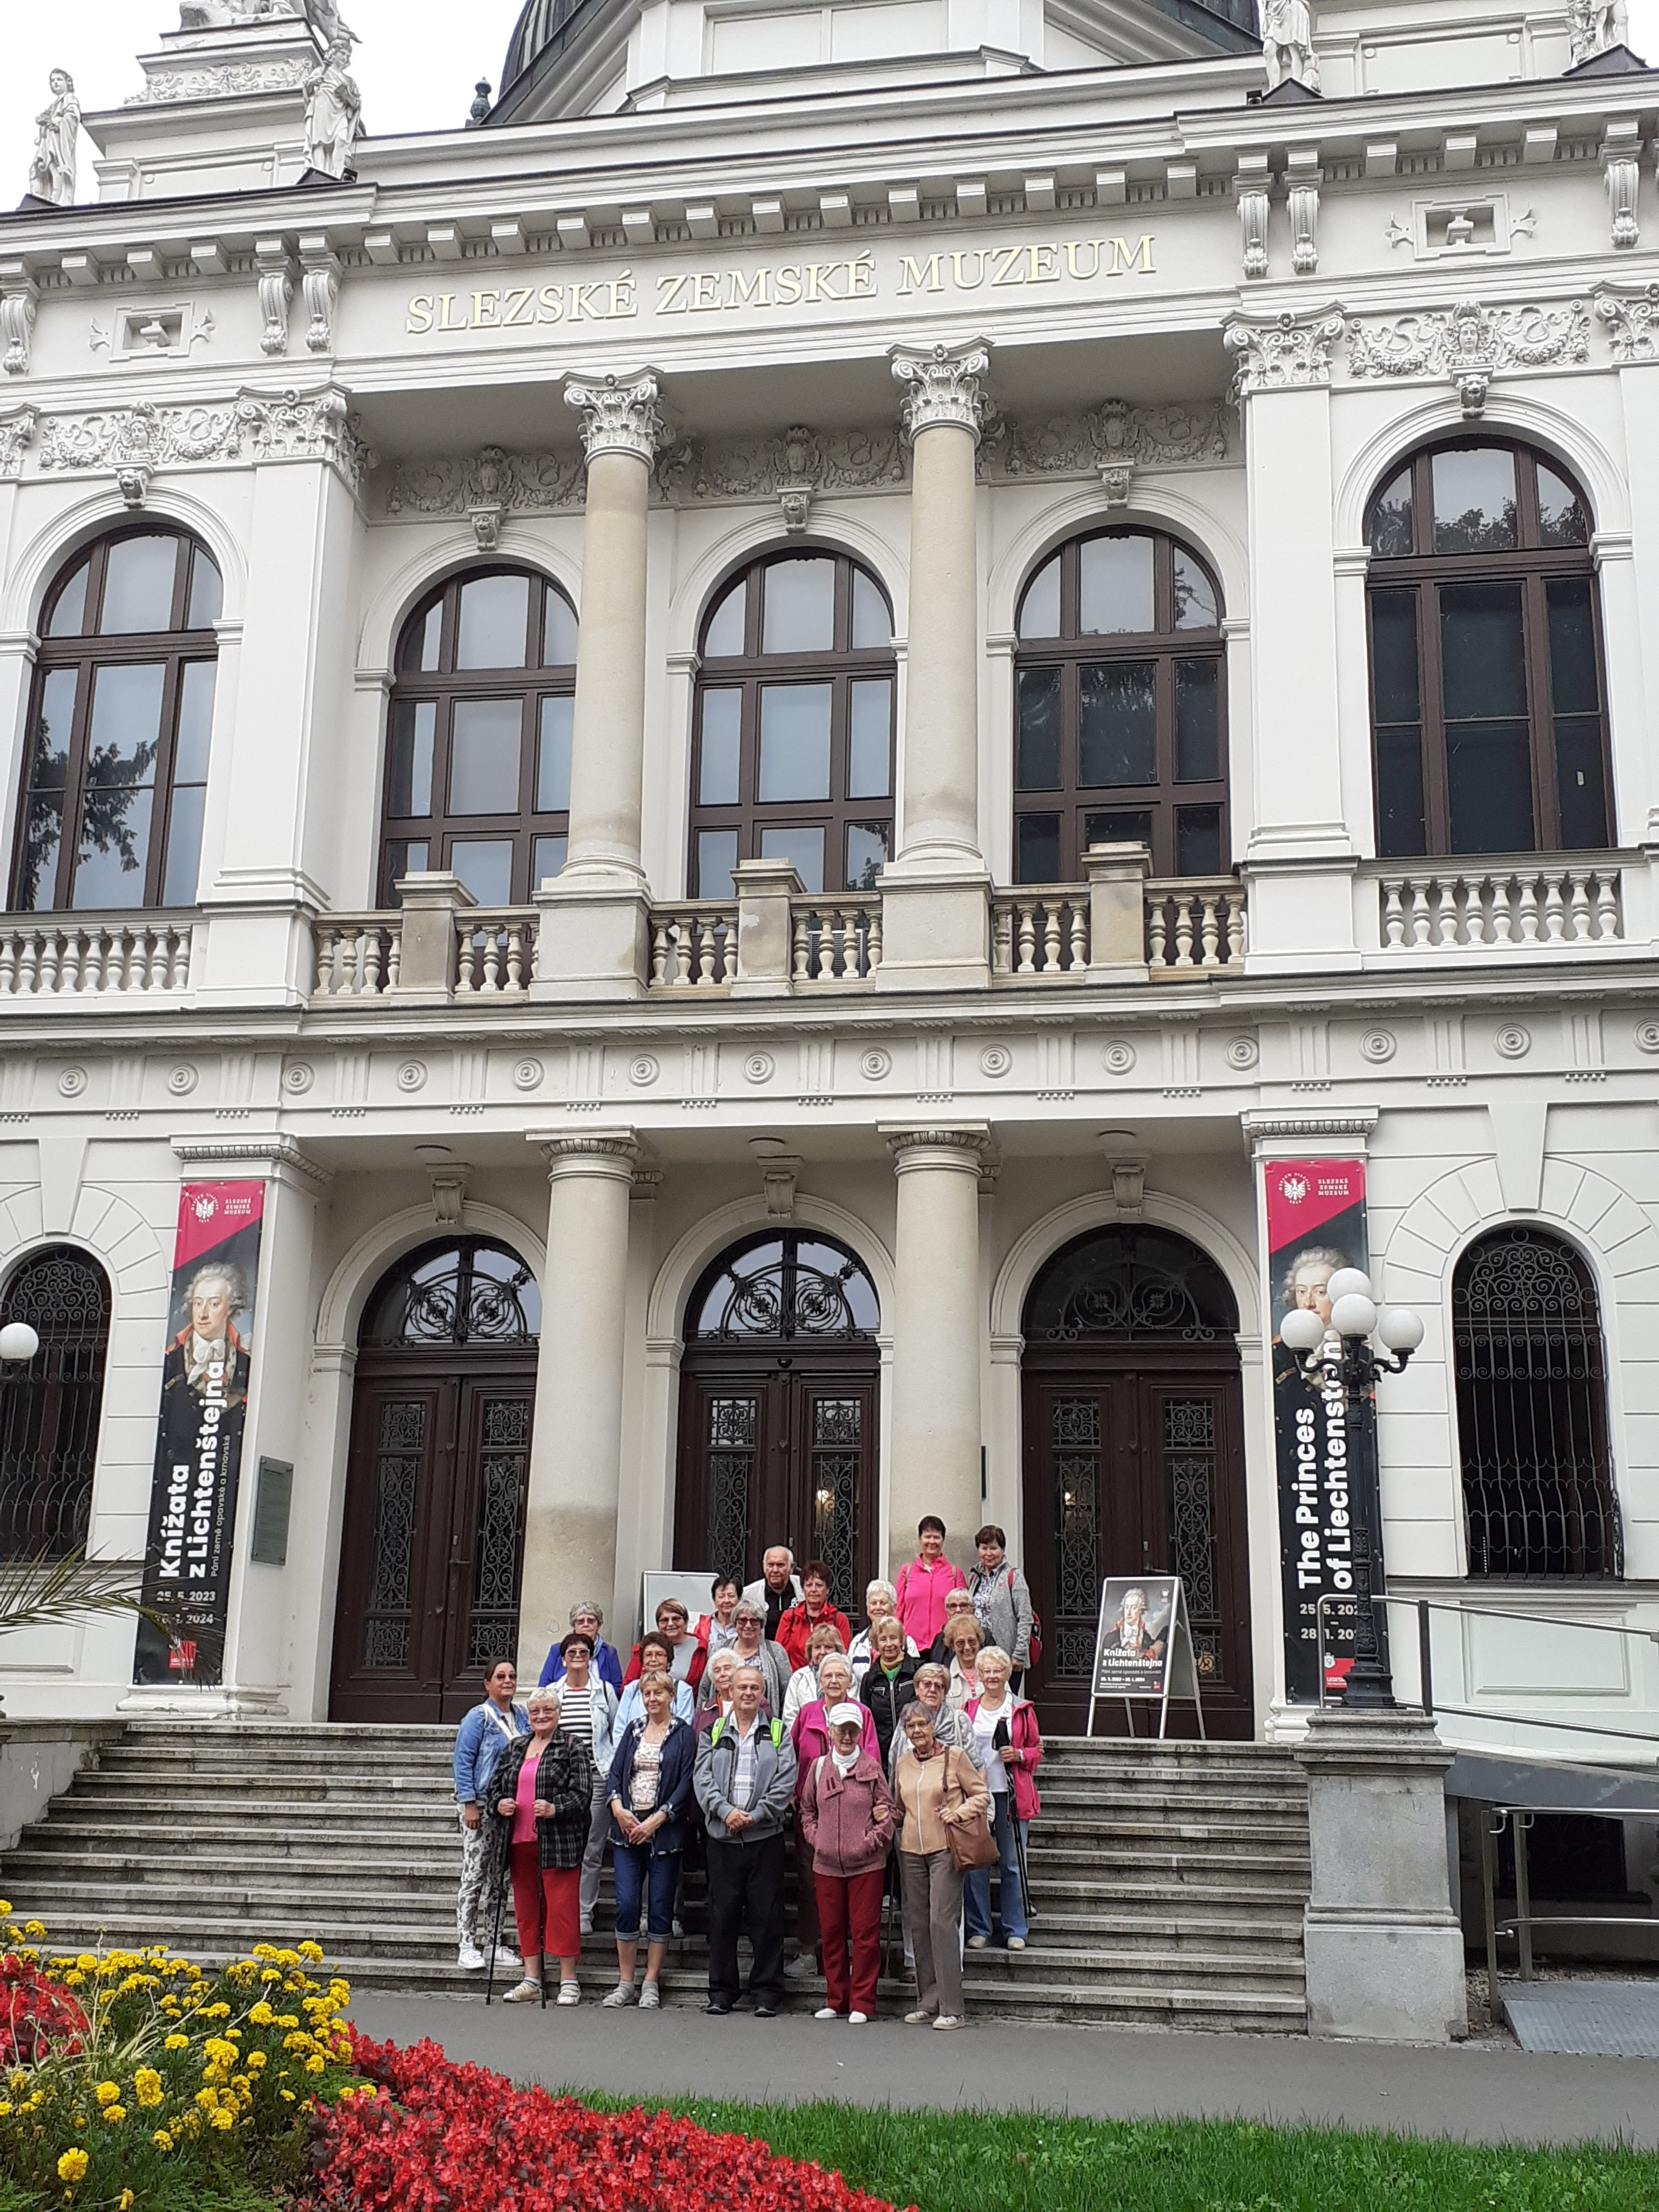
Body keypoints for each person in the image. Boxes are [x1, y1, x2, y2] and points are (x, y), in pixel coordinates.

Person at [694, 1661, 797, 2016]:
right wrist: (726, 1812)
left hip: (764, 1836)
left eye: (755, 1688)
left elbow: (786, 1778)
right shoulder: (714, 1730)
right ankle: (721, 1992)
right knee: (722, 1917)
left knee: (766, 1918)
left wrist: (757, 1814)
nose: (748, 1693)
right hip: (722, 1838)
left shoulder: (779, 1731)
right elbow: (702, 1778)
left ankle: (766, 1992)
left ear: (763, 1694)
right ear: (730, 1692)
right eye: (742, 1687)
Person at [484, 1687, 595, 2005]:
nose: (542, 1716)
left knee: (562, 1910)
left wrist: (554, 1808)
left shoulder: (572, 1746)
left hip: (558, 1841)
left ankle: (568, 1980)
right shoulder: (516, 1747)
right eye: (535, 1711)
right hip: (518, 1841)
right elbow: (493, 1789)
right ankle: (531, 1978)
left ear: (558, 1714)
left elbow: (583, 1794)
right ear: (529, 1716)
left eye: (548, 1710)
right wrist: (499, 1804)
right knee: (526, 1911)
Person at [892, 1701, 989, 2031]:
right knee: (919, 1925)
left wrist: (958, 1813)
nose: (917, 1731)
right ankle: (928, 2001)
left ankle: (953, 2008)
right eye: (911, 1727)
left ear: (933, 1726)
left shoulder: (954, 1757)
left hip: (945, 1850)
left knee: (941, 1923)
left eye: (922, 1724)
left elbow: (981, 1795)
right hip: (910, 1851)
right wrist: (885, 1814)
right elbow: (900, 1809)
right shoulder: (903, 1764)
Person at [602, 1671, 695, 2009]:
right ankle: (626, 1982)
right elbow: (616, 1772)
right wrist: (617, 1807)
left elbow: (686, 1781)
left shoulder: (683, 1734)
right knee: (627, 1904)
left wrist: (658, 1819)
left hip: (664, 1831)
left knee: (659, 1906)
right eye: (647, 1694)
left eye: (659, 1693)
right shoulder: (634, 1729)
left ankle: (651, 1981)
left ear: (671, 1696)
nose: (652, 1699)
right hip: (628, 1829)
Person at [799, 1702, 895, 2025]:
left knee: (865, 1935)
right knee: (831, 1932)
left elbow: (889, 1813)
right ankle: (836, 1998)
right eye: (841, 1730)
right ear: (831, 1731)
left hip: (867, 1866)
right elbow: (807, 1810)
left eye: (853, 1730)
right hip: (827, 1865)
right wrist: (817, 1839)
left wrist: (870, 1842)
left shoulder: (872, 1768)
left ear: (860, 1733)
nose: (847, 1736)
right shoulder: (818, 1767)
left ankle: (863, 2002)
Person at [788, 1653, 876, 1978]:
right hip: (813, 1815)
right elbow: (792, 1755)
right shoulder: (807, 1714)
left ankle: (848, 1957)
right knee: (809, 1886)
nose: (835, 1681)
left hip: (854, 1817)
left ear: (850, 1681)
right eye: (828, 1676)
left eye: (841, 1675)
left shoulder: (862, 1714)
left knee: (852, 1891)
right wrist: (795, 1793)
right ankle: (809, 1952)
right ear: (820, 1681)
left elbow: (872, 1762)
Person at [963, 1645, 1042, 1954]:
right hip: (978, 1795)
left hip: (1011, 1794)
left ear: (1007, 1674)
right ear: (980, 1676)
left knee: (1012, 1864)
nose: (992, 1676)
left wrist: (1019, 1754)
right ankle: (979, 1928)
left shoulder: (1021, 1709)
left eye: (998, 1671)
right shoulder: (969, 1708)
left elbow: (1036, 1751)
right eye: (987, 1671)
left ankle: (1015, 1928)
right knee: (976, 1865)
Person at [451, 1657, 526, 1971]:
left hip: (510, 1808)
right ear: (488, 1683)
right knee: (474, 1875)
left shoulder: (522, 1716)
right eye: (500, 1677)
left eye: (512, 1676)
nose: (507, 1681)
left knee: (500, 1878)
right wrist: (469, 1803)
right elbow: (463, 1761)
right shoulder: (478, 1717)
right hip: (481, 1806)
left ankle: (494, 1942)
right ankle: (467, 1943)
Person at [549, 1629, 619, 1937]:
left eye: (584, 1653)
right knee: (563, 1847)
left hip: (597, 1776)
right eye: (572, 1653)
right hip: (563, 1781)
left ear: (591, 1658)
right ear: (563, 1660)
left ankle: (583, 1912)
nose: (578, 1657)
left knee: (592, 1848)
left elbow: (615, 1731)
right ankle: (560, 1910)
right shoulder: (553, 1693)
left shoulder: (604, 1691)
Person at [888, 1660, 981, 1786]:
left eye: (938, 1686)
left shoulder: (959, 1720)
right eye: (927, 1685)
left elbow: (978, 1768)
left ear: (944, 1694)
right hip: (915, 1793)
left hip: (952, 1795)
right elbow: (895, 1764)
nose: (932, 1690)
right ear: (917, 1690)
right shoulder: (907, 1720)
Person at [967, 1526, 1034, 1688]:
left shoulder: (1013, 1576)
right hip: (979, 1654)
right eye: (984, 1548)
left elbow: (1025, 1617)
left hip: (1006, 1656)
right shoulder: (974, 1577)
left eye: (994, 1548)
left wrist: (1019, 1654)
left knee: (1005, 1699)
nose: (989, 1554)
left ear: (1002, 1550)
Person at [894, 1517, 968, 1654]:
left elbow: (964, 1613)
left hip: (945, 1647)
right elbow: (898, 1610)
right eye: (928, 1537)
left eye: (937, 1537)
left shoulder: (955, 1573)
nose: (932, 1542)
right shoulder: (907, 1572)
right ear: (920, 1539)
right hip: (912, 1647)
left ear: (943, 1541)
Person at [861, 1615, 920, 1771]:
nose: (889, 1644)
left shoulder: (917, 1672)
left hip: (914, 1750)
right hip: (882, 1755)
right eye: (883, 1639)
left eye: (893, 1638)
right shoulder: (870, 1679)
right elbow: (867, 1721)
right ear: (876, 1644)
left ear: (902, 1641)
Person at [775, 1561, 851, 1673]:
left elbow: (844, 1656)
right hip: (796, 1679)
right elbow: (780, 1656)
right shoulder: (789, 1617)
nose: (813, 1590)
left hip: (829, 1677)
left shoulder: (839, 1619)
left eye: (819, 1585)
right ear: (803, 1589)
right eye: (809, 1585)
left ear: (828, 1590)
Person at [622, 1599, 707, 1697]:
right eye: (665, 1620)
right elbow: (628, 1687)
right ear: (658, 1625)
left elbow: (705, 1688)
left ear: (686, 1622)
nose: (670, 1624)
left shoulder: (701, 1648)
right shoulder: (644, 1648)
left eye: (676, 1619)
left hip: (685, 1704)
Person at [616, 1634, 696, 1730]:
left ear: (668, 1660)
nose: (653, 1659)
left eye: (659, 1655)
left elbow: (684, 1728)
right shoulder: (632, 1689)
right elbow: (619, 1728)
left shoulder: (683, 1690)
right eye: (648, 1655)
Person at [540, 1601, 623, 1693]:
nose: (586, 1625)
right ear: (574, 1626)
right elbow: (543, 1686)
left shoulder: (610, 1652)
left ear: (598, 1625)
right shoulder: (558, 1650)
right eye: (581, 1622)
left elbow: (618, 1687)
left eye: (591, 1621)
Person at [847, 1580, 918, 1682]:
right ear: (868, 1608)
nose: (878, 1608)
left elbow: (916, 1679)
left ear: (894, 1608)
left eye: (883, 1603)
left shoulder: (907, 1643)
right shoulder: (857, 1643)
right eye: (873, 1603)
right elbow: (851, 1681)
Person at [726, 1599, 791, 1710]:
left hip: (765, 1717)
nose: (748, 1626)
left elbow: (787, 1691)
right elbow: (705, 1688)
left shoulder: (776, 1651)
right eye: (742, 1620)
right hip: (723, 1717)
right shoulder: (720, 1649)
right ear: (735, 1622)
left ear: (761, 1625)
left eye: (754, 1621)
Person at [782, 1621, 847, 1729]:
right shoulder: (799, 1677)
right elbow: (790, 1718)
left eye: (828, 1647)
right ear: (810, 1651)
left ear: (837, 1650)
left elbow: (852, 1710)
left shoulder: (847, 1676)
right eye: (817, 1647)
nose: (822, 1652)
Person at [743, 1546, 802, 1640]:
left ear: (791, 1568)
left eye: (780, 1566)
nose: (775, 1570)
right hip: (763, 1648)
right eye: (770, 1565)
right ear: (764, 1567)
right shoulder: (749, 1594)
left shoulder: (804, 1588)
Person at [925, 1586, 979, 1666]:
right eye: (953, 1606)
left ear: (973, 1610)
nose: (958, 1610)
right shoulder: (940, 1639)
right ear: (947, 1611)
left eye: (963, 1605)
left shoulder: (984, 1637)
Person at [696, 1575, 744, 1661]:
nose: (727, 1601)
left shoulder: (747, 1625)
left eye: (731, 1596)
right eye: (721, 1597)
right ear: (714, 1600)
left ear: (739, 1599)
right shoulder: (702, 1625)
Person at [695, 1646, 740, 1734]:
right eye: (717, 1671)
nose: (722, 1674)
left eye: (727, 1668)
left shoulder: (752, 1702)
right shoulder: (705, 1709)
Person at [944, 1615, 984, 1711]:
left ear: (979, 1642)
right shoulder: (944, 1677)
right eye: (961, 1643)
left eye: (972, 1641)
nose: (967, 1647)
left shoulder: (995, 1672)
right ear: (953, 1646)